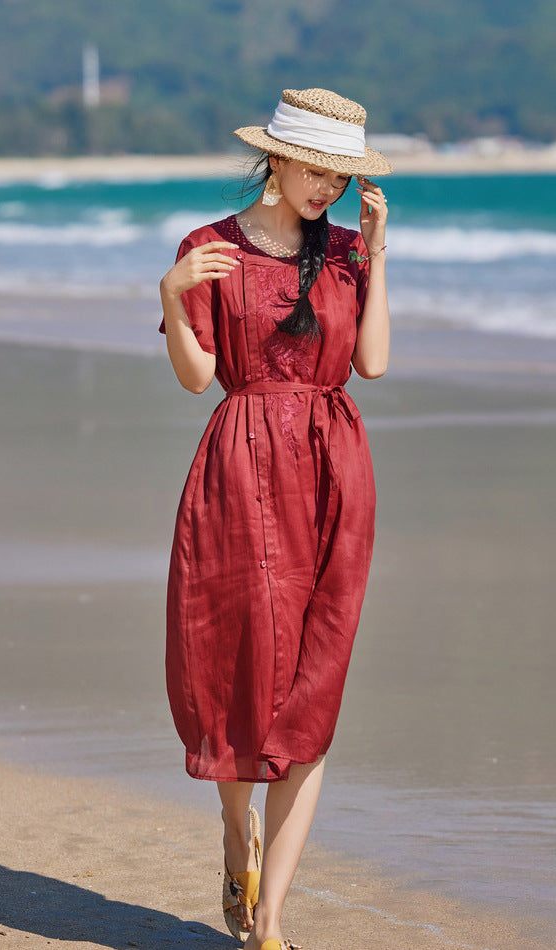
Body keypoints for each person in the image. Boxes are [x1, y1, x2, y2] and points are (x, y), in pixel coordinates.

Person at [158, 87, 392, 950]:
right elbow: (194, 377)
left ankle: (272, 925)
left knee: (314, 681)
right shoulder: (208, 248)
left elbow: (371, 361)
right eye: (317, 170)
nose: (328, 187)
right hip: (241, 463)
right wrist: (172, 293)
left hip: (335, 469)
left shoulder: (343, 251)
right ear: (279, 159)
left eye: (341, 175)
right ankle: (234, 829)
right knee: (240, 668)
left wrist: (377, 256)